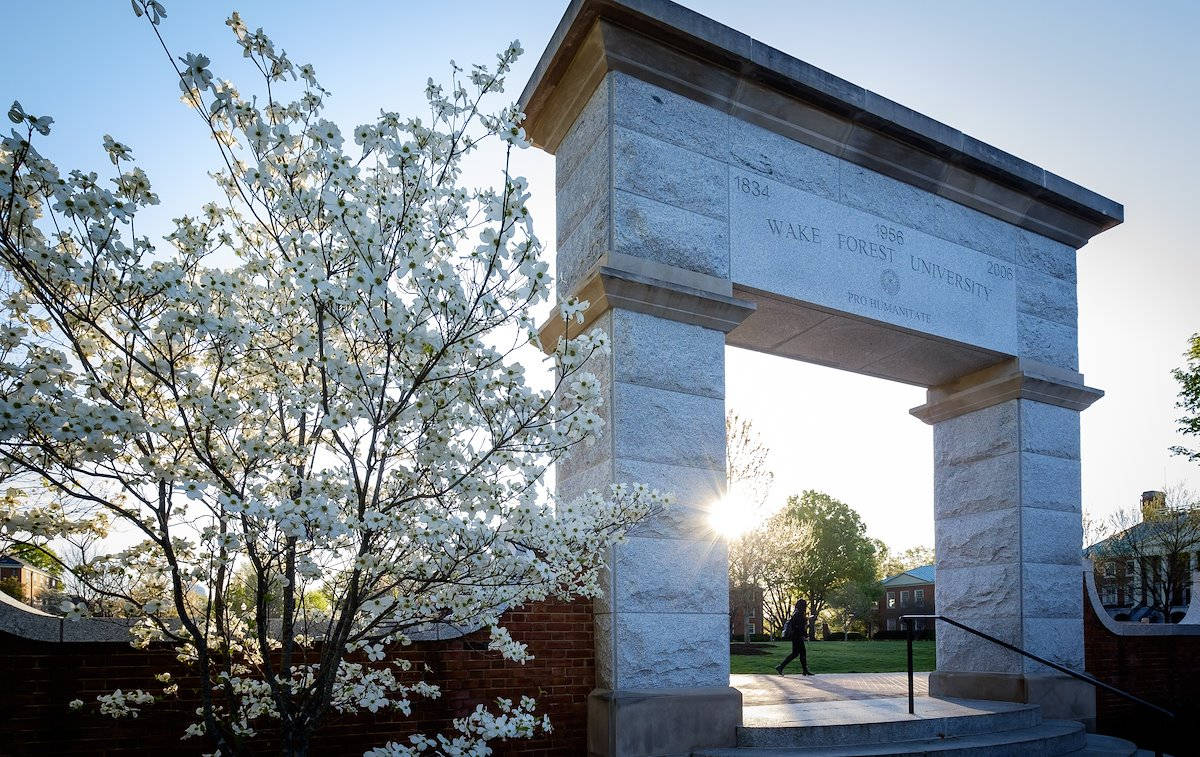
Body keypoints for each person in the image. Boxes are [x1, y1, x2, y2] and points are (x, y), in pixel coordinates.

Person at [775, 598, 813, 676]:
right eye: (805, 605)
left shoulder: (796, 613)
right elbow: (800, 627)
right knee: (798, 653)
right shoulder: (799, 614)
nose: (806, 606)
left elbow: (800, 625)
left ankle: (804, 670)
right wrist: (805, 635)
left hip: (796, 636)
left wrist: (806, 620)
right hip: (797, 637)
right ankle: (781, 666)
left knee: (799, 653)